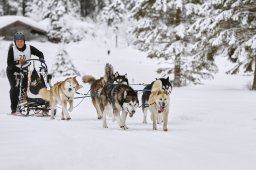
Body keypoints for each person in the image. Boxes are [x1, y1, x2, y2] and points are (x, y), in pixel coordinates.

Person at [6, 32, 45, 115]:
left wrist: (41, 58)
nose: (19, 43)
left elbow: (39, 53)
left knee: (24, 88)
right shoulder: (12, 49)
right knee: (15, 88)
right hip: (13, 71)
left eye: (21, 41)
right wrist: (19, 62)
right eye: (17, 41)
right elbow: (9, 63)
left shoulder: (29, 48)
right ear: (15, 42)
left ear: (24, 41)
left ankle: (22, 104)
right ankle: (14, 109)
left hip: (24, 71)